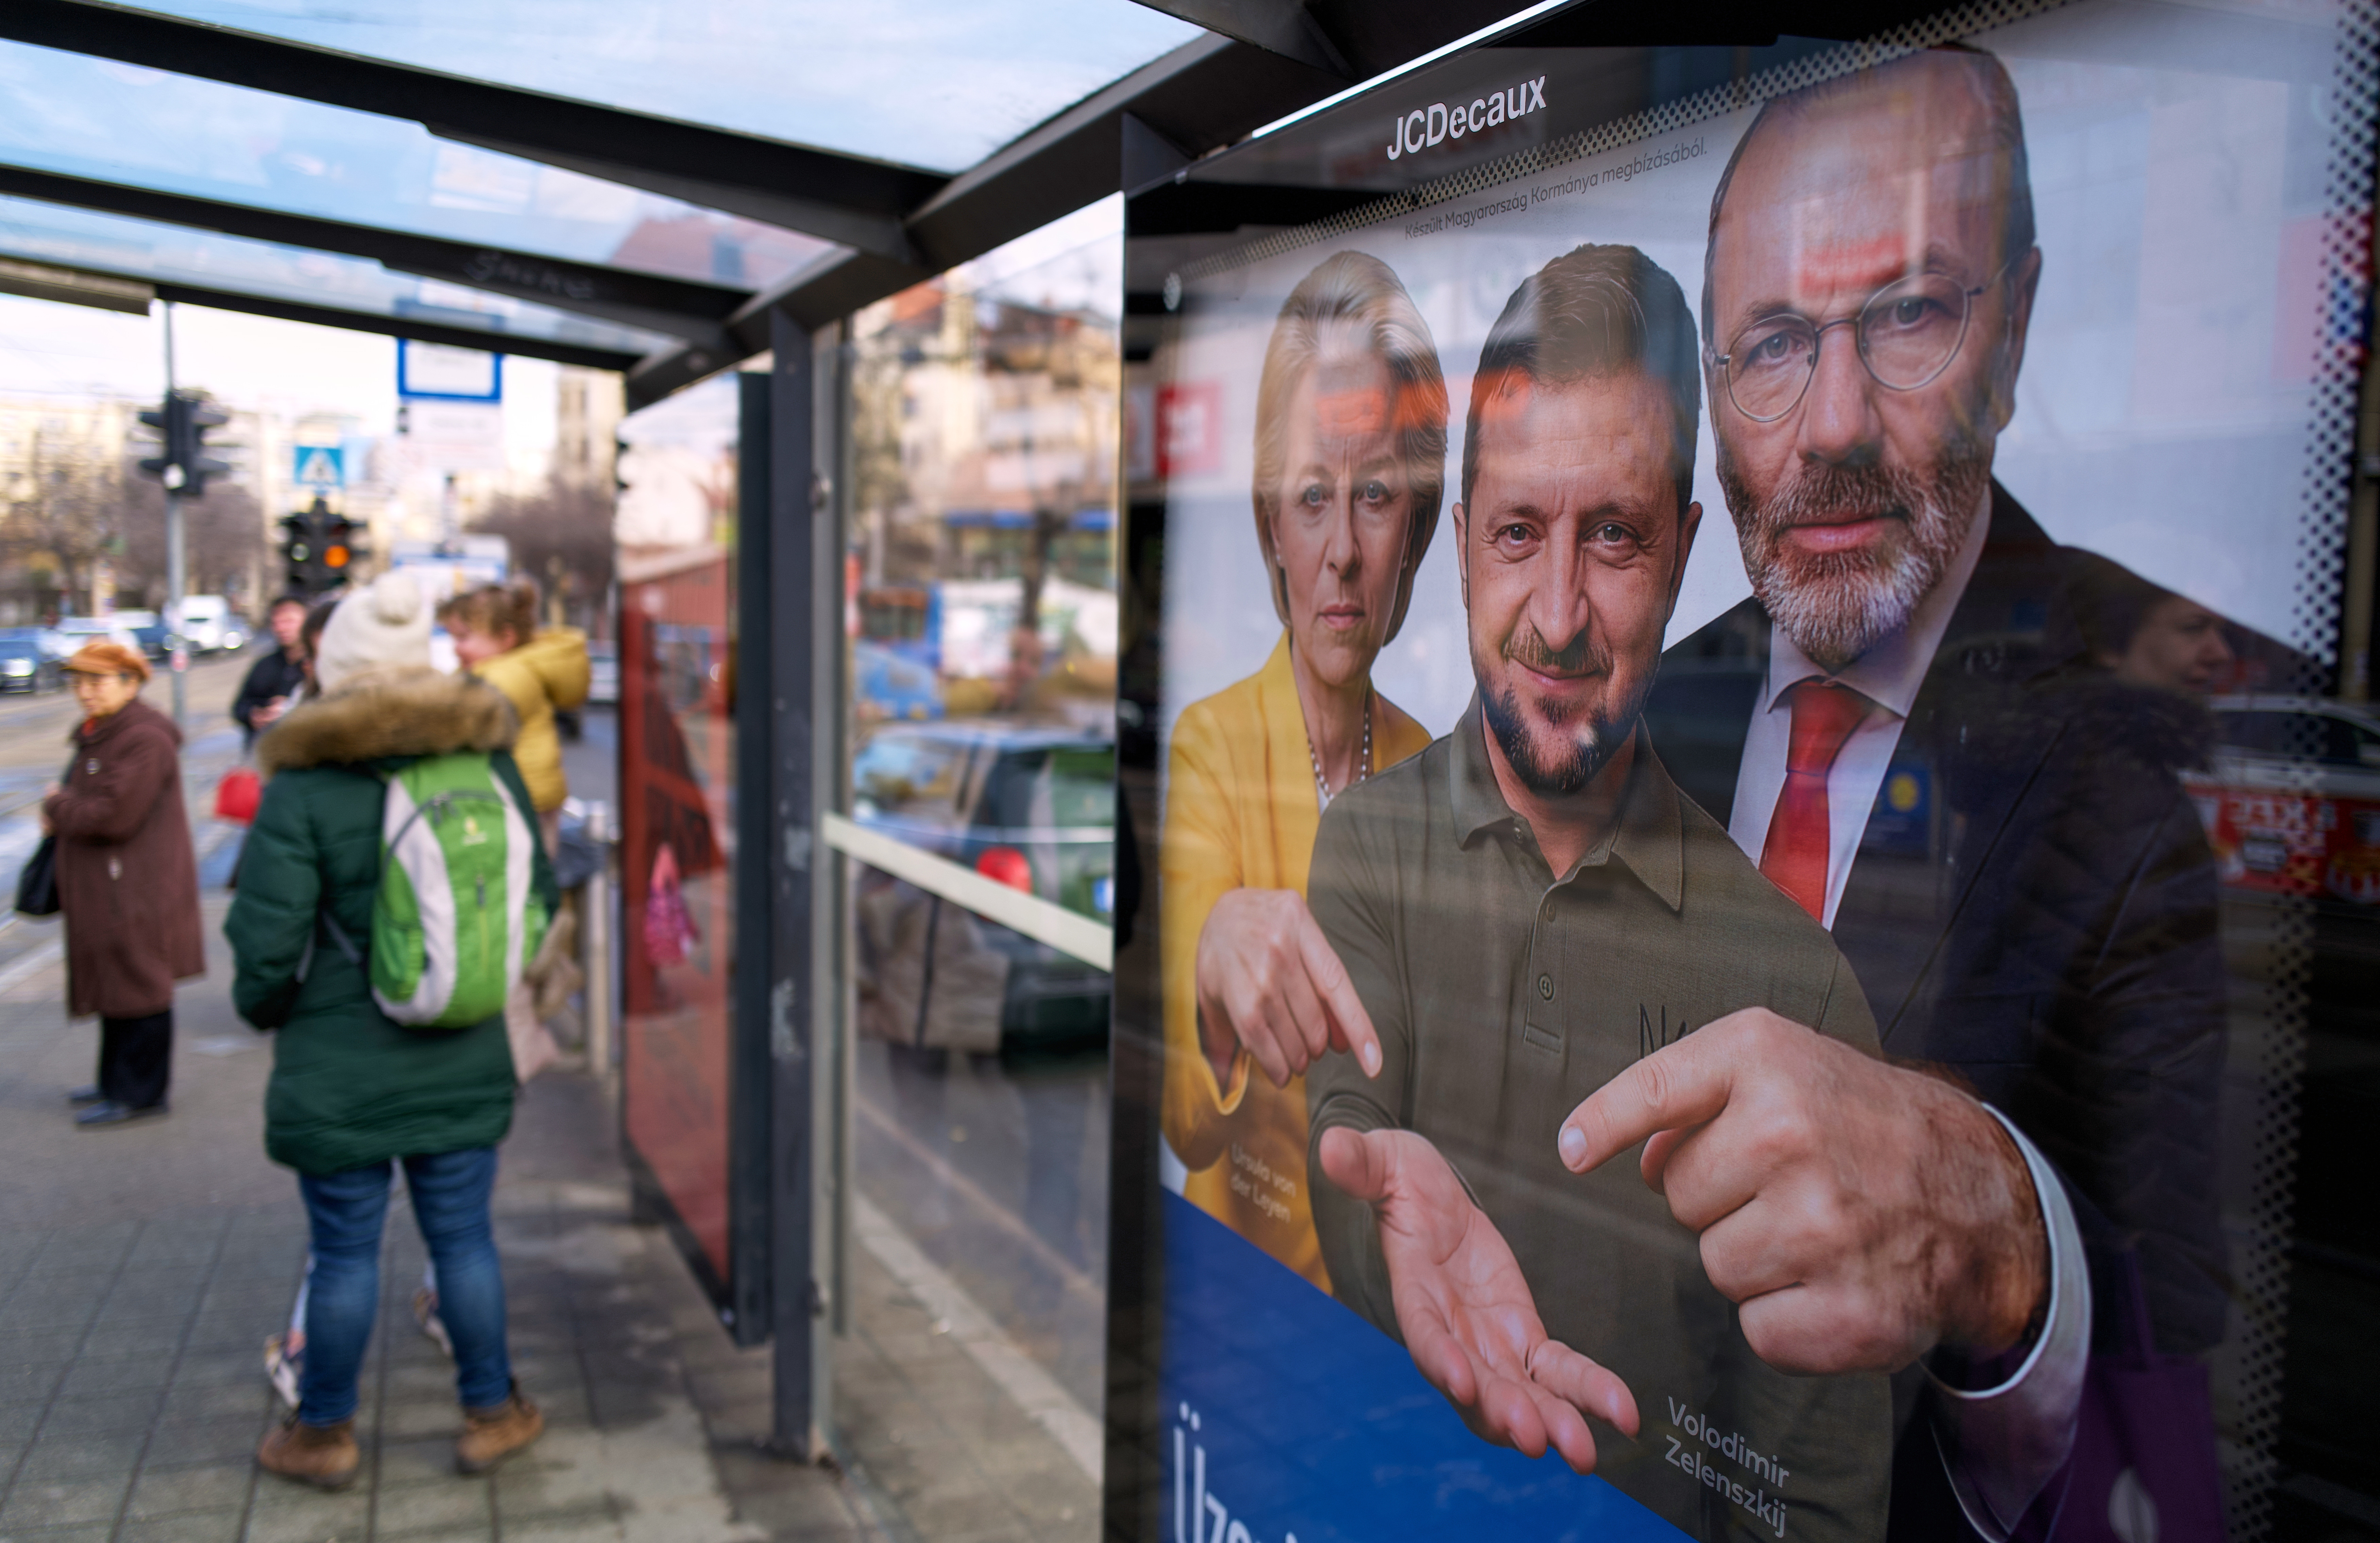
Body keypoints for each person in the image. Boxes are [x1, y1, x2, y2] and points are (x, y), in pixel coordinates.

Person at [1598, 46, 2226, 1539]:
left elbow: (2219, 1380)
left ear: (2007, 329)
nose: (1825, 427)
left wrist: (2006, 1257)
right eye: (1767, 342)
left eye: (1905, 315)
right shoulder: (1642, 705)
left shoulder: (2168, 739)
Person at [1302, 246, 1890, 1541]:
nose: (1557, 615)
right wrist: (1376, 1189)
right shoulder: (1365, 854)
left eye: (1613, 536)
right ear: (1461, 547)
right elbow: (1340, 1149)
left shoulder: (1799, 992)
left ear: (1683, 552)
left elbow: (1817, 1505)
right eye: (1518, 532)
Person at [228, 571, 554, 1489]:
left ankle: (323, 1434)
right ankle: (493, 1411)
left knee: (342, 1252)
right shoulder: (483, 763)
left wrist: (267, 1012)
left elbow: (267, 938)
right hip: (462, 1045)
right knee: (463, 1241)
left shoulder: (302, 787)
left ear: (335, 671)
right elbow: (540, 896)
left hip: (339, 1061)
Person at [1160, 250, 1445, 1287]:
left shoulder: (1440, 775)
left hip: (1400, 1342)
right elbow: (1184, 1122)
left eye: (1373, 496)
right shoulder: (1210, 746)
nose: (1339, 552)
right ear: (1269, 523)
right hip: (1252, 1322)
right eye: (1308, 497)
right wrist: (1207, 978)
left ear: (1412, 526)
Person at [41, 641, 204, 1128]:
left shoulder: (143, 738)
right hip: (113, 885)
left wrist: (56, 807)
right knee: (117, 986)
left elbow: (114, 816)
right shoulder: (103, 732)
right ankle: (116, 1082)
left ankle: (142, 1092)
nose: (85, 692)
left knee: (141, 986)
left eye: (97, 681)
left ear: (131, 684)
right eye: (78, 682)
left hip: (136, 887)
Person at [437, 581, 590, 852]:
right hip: (528, 797)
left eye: (463, 638)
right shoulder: (506, 668)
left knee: (522, 881)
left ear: (506, 638)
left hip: (521, 799)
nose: (455, 649)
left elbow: (459, 717)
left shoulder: (508, 676)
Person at [232, 594, 312, 747]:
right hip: (264, 751)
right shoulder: (265, 665)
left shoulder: (317, 665)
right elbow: (240, 706)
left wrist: (290, 710)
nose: (281, 628)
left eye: (289, 621)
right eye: (276, 623)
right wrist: (254, 715)